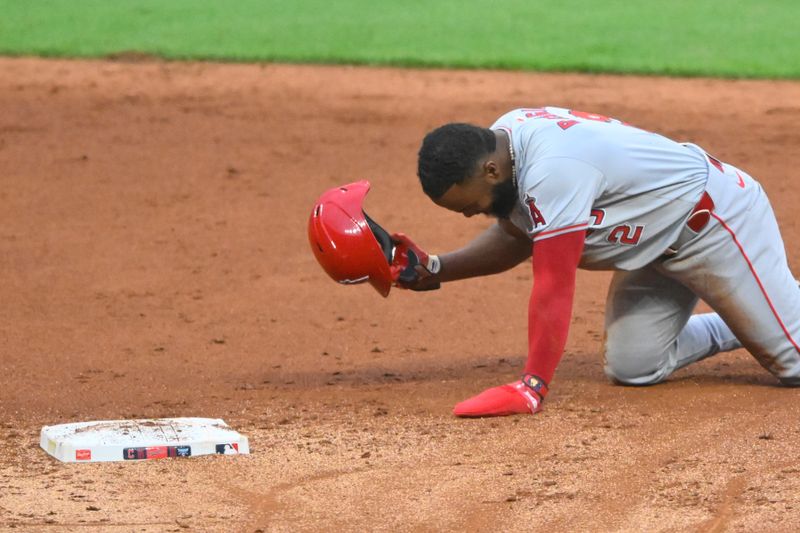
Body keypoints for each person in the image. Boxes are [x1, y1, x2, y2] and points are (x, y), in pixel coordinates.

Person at [393, 106, 800, 417]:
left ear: (491, 170)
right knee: (635, 366)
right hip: (655, 246)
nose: (469, 215)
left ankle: (771, 312)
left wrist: (532, 386)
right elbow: (517, 235)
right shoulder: (504, 146)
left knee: (793, 363)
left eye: (470, 205)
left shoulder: (553, 170)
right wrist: (438, 269)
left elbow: (553, 284)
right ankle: (756, 314)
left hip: (715, 223)